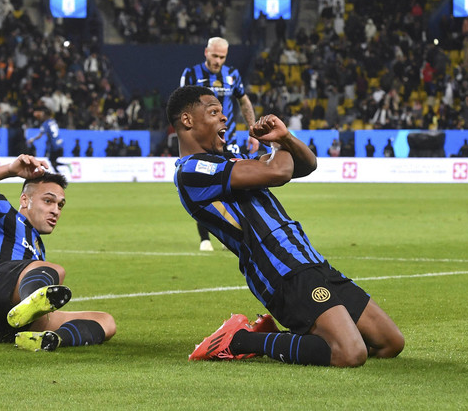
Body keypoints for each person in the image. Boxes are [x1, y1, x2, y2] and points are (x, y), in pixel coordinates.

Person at [166, 86, 404, 367]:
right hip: (279, 268)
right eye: (213, 112)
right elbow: (279, 171)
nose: (224, 118)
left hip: (309, 259)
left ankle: (296, 337)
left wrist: (287, 137)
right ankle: (241, 339)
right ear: (187, 120)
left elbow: (307, 165)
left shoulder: (229, 160)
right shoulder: (192, 171)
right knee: (349, 353)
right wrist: (278, 144)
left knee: (390, 343)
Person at [0, 154, 116, 351]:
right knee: (54, 270)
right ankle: (30, 303)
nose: (56, 210)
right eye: (48, 201)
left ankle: (50, 339)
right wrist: (10, 170)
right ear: (25, 199)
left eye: (60, 205)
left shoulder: (38, 250)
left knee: (106, 322)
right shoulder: (4, 213)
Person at [180, 37, 259, 251]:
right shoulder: (191, 74)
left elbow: (243, 100)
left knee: (233, 187)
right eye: (214, 56)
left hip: (228, 141)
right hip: (201, 143)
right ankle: (204, 238)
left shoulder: (232, 75)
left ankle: (231, 234)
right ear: (206, 52)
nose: (217, 61)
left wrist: (253, 131)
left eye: (222, 57)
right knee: (202, 187)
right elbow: (181, 108)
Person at [27, 106, 66, 173]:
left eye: (42, 115)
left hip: (54, 146)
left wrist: (32, 139)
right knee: (52, 160)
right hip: (60, 143)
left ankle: (64, 169)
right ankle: (62, 169)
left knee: (52, 161)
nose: (41, 116)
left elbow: (40, 135)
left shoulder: (45, 124)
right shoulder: (53, 121)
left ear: (45, 115)